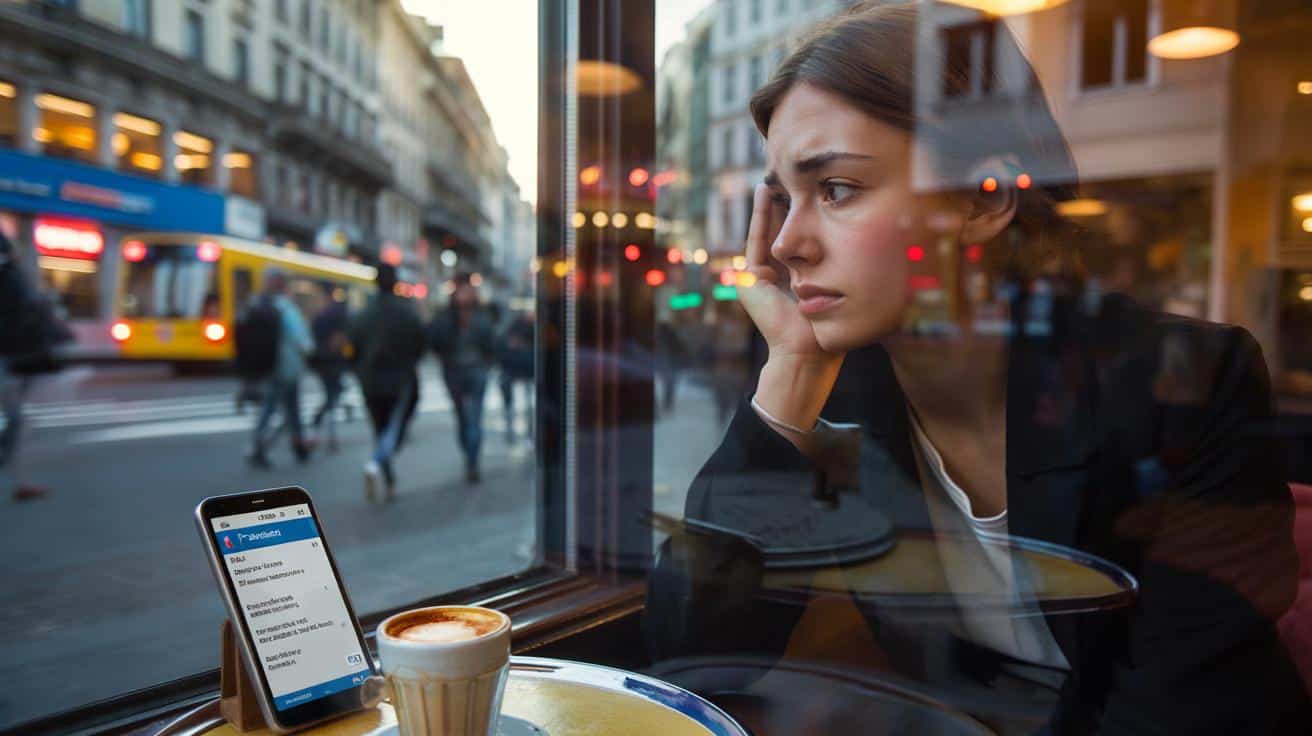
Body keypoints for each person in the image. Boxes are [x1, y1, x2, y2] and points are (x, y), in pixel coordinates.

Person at [644, 4, 1310, 733]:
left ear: (983, 198)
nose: (784, 246)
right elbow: (688, 649)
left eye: (835, 188)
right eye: (781, 200)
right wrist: (789, 376)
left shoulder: (1186, 385)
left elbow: (1176, 713)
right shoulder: (843, 387)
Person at [0, 231, 69, 502]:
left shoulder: (12, 277)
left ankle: (19, 481)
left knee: (16, 419)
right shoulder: (10, 279)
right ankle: (17, 478)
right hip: (12, 356)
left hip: (15, 356)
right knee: (15, 419)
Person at [347, 263, 425, 502]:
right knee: (395, 428)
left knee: (380, 429)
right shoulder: (406, 312)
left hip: (370, 380)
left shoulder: (363, 313)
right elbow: (420, 343)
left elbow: (353, 347)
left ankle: (387, 476)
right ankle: (376, 464)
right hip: (399, 379)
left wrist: (360, 370)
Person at [429, 272, 497, 484]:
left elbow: (434, 341)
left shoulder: (454, 317)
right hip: (468, 371)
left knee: (466, 418)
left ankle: (471, 458)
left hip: (460, 372)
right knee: (471, 418)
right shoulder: (476, 318)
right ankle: (472, 459)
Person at [246, 270, 314, 468]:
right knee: (290, 408)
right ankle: (295, 444)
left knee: (273, 407)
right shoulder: (286, 308)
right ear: (282, 284)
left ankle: (264, 443)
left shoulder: (258, 305)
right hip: (289, 366)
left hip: (269, 365)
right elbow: (302, 340)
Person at [308, 285, 350, 452]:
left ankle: (321, 430)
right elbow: (339, 338)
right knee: (333, 395)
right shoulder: (338, 314)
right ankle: (330, 435)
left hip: (320, 361)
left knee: (331, 394)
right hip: (333, 361)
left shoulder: (320, 315)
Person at [496, 307, 534, 442]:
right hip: (515, 369)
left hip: (526, 370)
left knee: (529, 402)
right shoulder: (512, 330)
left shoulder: (532, 330)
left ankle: (527, 427)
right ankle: (514, 426)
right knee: (520, 401)